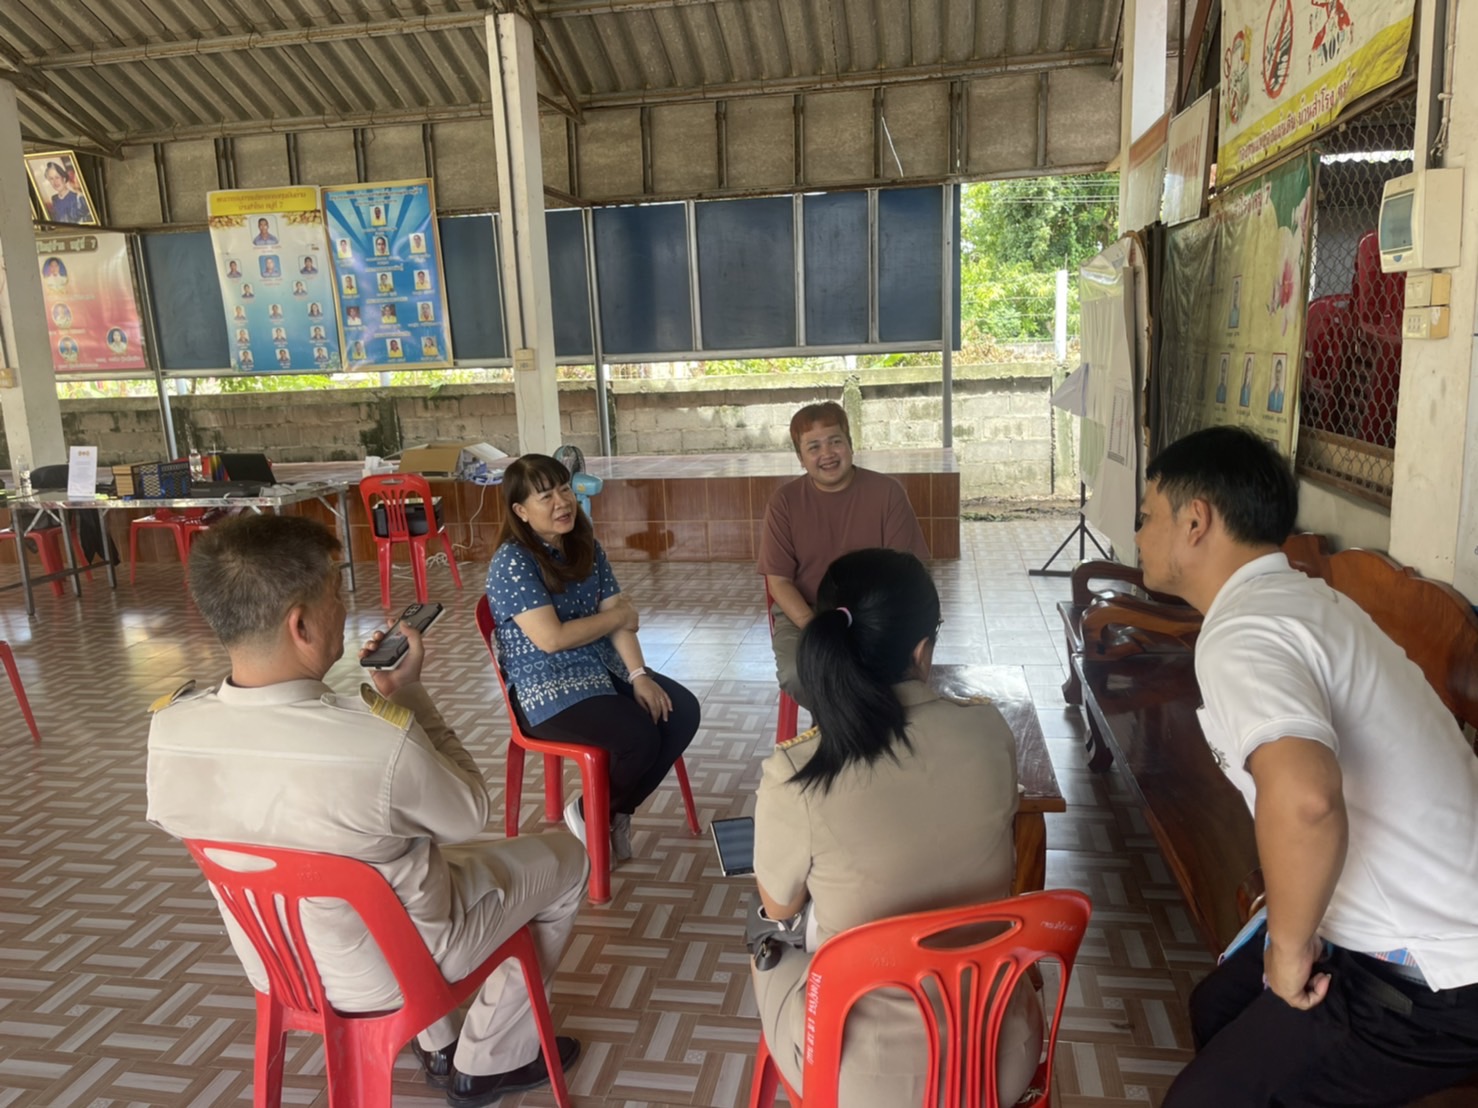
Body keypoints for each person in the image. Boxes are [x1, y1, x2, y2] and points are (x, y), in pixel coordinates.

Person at [146, 515, 587, 1107]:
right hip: (401, 971)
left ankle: (439, 1043)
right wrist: (408, 693)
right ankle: (488, 1060)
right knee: (566, 857)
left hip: (279, 967)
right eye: (336, 593)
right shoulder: (374, 742)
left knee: (381, 864)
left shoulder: (170, 731)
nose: (344, 609)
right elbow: (468, 814)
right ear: (301, 625)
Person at [1135, 427, 1478, 1107]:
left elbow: (1305, 798)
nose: (1139, 534)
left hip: (1436, 971)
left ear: (1195, 521)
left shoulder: (1245, 632)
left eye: (1147, 517)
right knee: (1218, 1007)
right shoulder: (1301, 601)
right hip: (1400, 927)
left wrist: (1289, 948)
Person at [751, 548, 1040, 1106]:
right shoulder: (989, 729)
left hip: (859, 1080)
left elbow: (780, 906)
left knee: (766, 939)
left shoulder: (799, 770)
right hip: (1001, 1057)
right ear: (922, 648)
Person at [486, 454, 700, 861]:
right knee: (638, 738)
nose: (562, 502)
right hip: (546, 690)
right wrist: (617, 617)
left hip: (600, 669)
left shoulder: (585, 545)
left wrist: (638, 675)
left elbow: (616, 611)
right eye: (545, 497)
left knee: (681, 712)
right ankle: (599, 814)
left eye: (564, 489)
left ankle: (603, 812)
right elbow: (552, 638)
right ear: (521, 511)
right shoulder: (512, 562)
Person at [757, 401, 929, 710]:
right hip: (809, 613)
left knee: (890, 672)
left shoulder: (888, 493)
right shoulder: (784, 502)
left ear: (850, 444)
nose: (827, 454)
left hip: (877, 611)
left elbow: (906, 573)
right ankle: (848, 727)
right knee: (799, 674)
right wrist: (818, 630)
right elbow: (779, 581)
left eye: (835, 441)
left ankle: (867, 726)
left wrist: (873, 625)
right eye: (814, 447)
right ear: (800, 458)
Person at [41, 160, 92, 224]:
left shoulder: (77, 197)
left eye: (57, 177)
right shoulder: (54, 198)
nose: (55, 182)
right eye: (51, 179)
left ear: (64, 178)